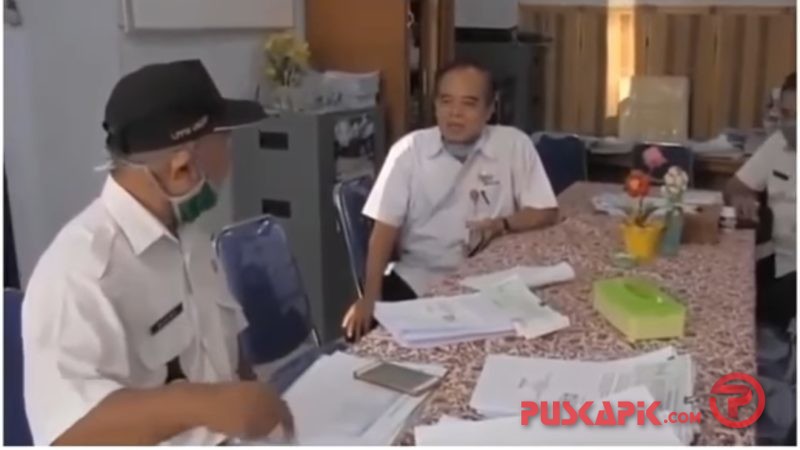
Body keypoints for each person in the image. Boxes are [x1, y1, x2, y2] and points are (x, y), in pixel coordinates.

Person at [22, 60, 294, 445]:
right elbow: (66, 434)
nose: (230, 162)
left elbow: (227, 351)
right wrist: (200, 404)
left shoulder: (189, 234)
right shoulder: (78, 275)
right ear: (182, 167)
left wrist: (253, 397)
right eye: (226, 143)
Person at [342, 60, 559, 341]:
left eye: (469, 103)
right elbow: (383, 232)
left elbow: (545, 211)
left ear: (490, 109)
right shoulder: (409, 151)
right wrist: (370, 298)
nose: (455, 113)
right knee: (379, 343)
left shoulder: (514, 145)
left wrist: (503, 224)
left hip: (492, 281)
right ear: (435, 106)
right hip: (420, 278)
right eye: (446, 101)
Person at [724, 71, 796, 329]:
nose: (792, 124)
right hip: (776, 263)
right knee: (726, 291)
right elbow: (734, 187)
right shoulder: (778, 143)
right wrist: (741, 197)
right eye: (787, 114)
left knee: (745, 308)